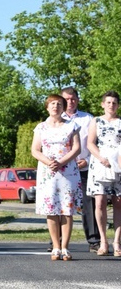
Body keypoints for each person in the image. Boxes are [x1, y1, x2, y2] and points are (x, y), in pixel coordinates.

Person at [31, 94, 83, 261]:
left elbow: (76, 148)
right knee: (51, 209)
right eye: (53, 104)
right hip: (48, 173)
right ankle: (55, 247)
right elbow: (35, 150)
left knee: (67, 210)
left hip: (68, 171)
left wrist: (61, 162)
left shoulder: (71, 125)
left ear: (63, 107)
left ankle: (65, 247)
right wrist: (48, 162)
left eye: (59, 104)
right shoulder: (40, 127)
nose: (56, 107)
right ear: (47, 107)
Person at [61, 86, 100, 252]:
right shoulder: (54, 119)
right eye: (67, 99)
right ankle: (57, 241)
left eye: (73, 99)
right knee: (60, 206)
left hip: (85, 168)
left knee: (89, 205)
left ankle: (94, 241)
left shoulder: (88, 119)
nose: (70, 102)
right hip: (62, 170)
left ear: (77, 100)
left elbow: (96, 143)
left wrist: (88, 160)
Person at [86, 90, 121, 257]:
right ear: (103, 104)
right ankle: (103, 241)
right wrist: (101, 158)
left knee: (118, 203)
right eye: (108, 102)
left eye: (114, 103)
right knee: (99, 202)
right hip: (100, 164)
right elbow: (90, 143)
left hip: (118, 165)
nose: (111, 105)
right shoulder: (96, 121)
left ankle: (117, 242)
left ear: (118, 105)